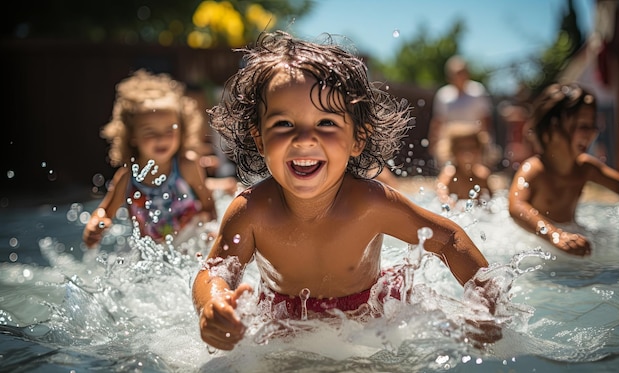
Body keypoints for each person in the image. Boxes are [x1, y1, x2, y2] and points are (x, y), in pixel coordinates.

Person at [191, 31, 500, 351]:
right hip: (283, 320)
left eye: (325, 123)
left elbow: (449, 239)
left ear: (357, 139)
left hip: (371, 315)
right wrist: (213, 303)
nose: (304, 139)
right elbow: (213, 271)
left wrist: (482, 308)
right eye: (283, 124)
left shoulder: (370, 203)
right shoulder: (252, 211)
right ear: (259, 138)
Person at [83, 69, 218, 248]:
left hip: (192, 245)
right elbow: (105, 212)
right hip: (154, 255)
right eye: (150, 132)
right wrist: (95, 225)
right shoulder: (127, 178)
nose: (161, 138)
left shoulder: (187, 166)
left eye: (169, 130)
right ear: (132, 136)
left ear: (182, 130)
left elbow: (208, 204)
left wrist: (212, 231)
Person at [508, 82, 619, 256]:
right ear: (553, 129)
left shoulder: (585, 167)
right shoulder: (535, 169)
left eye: (593, 126)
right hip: (538, 243)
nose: (592, 133)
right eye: (583, 126)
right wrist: (554, 234)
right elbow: (516, 206)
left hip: (569, 234)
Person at [428, 55, 495, 169]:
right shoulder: (443, 95)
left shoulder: (478, 91)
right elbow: (438, 121)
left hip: (473, 141)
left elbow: (485, 120)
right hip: (451, 142)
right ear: (449, 76)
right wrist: (433, 142)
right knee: (450, 172)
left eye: (462, 72)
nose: (460, 76)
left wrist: (486, 144)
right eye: (456, 73)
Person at [436, 123, 493, 208]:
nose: (467, 153)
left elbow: (492, 202)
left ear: (480, 150)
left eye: (472, 147)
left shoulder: (482, 176)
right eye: (462, 148)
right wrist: (452, 205)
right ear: (453, 151)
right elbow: (442, 197)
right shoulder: (450, 174)